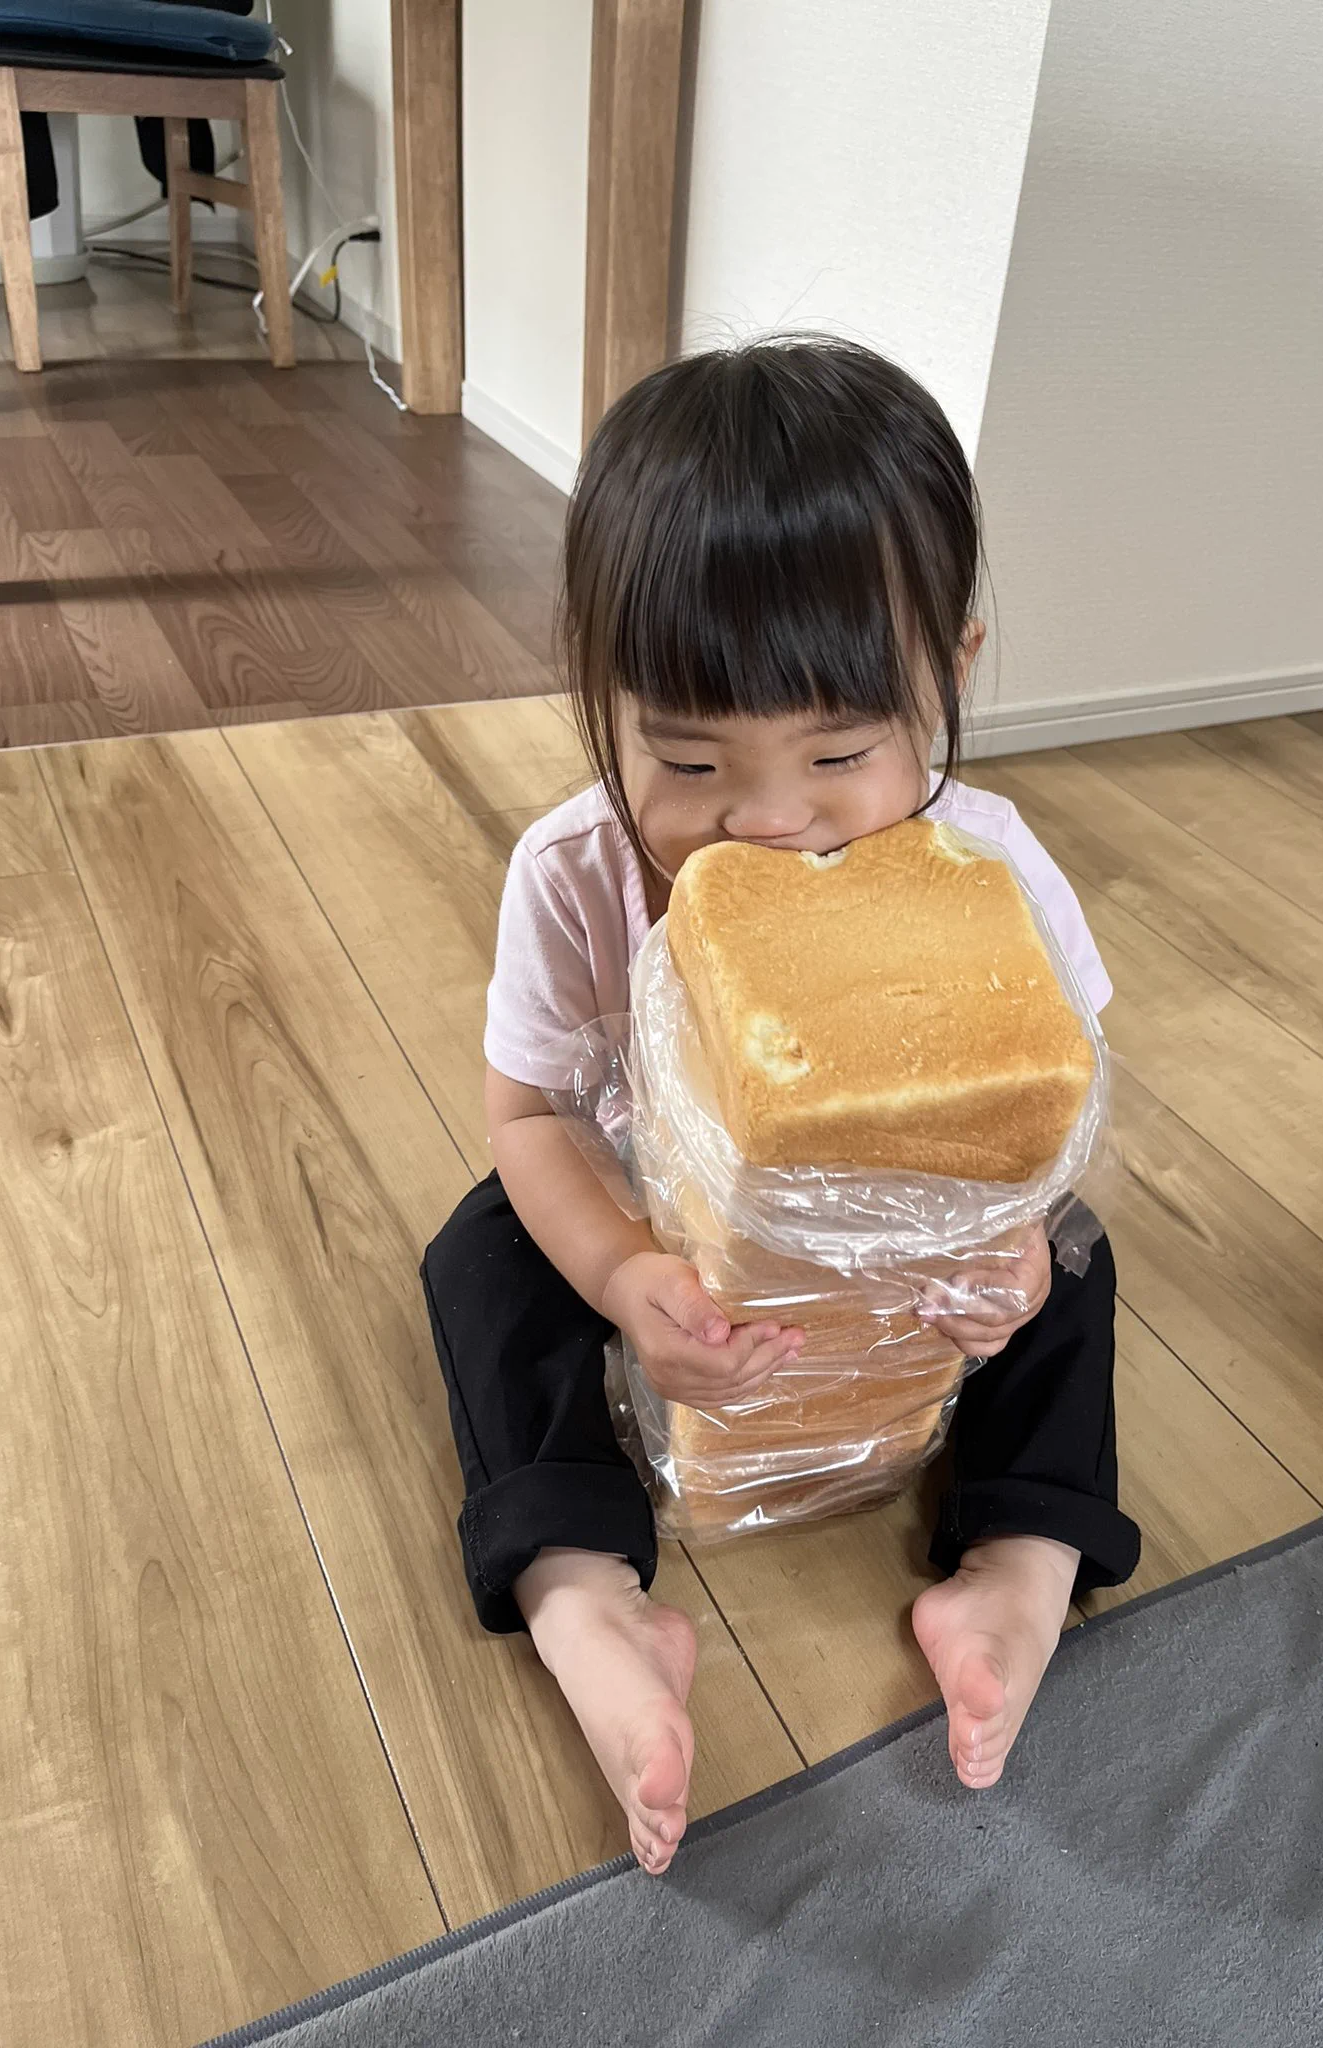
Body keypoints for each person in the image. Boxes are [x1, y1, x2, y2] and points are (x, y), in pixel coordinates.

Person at [420, 337, 1140, 1876]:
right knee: (482, 1254)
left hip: (910, 1250)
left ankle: (1015, 1560)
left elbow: (1042, 1111)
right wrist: (621, 1271)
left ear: (945, 676)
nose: (768, 816)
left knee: (1076, 1272)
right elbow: (533, 1114)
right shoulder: (576, 873)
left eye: (841, 752)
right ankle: (583, 1595)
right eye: (687, 757)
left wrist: (1006, 1261)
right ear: (596, 702)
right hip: (661, 1229)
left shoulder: (992, 866)